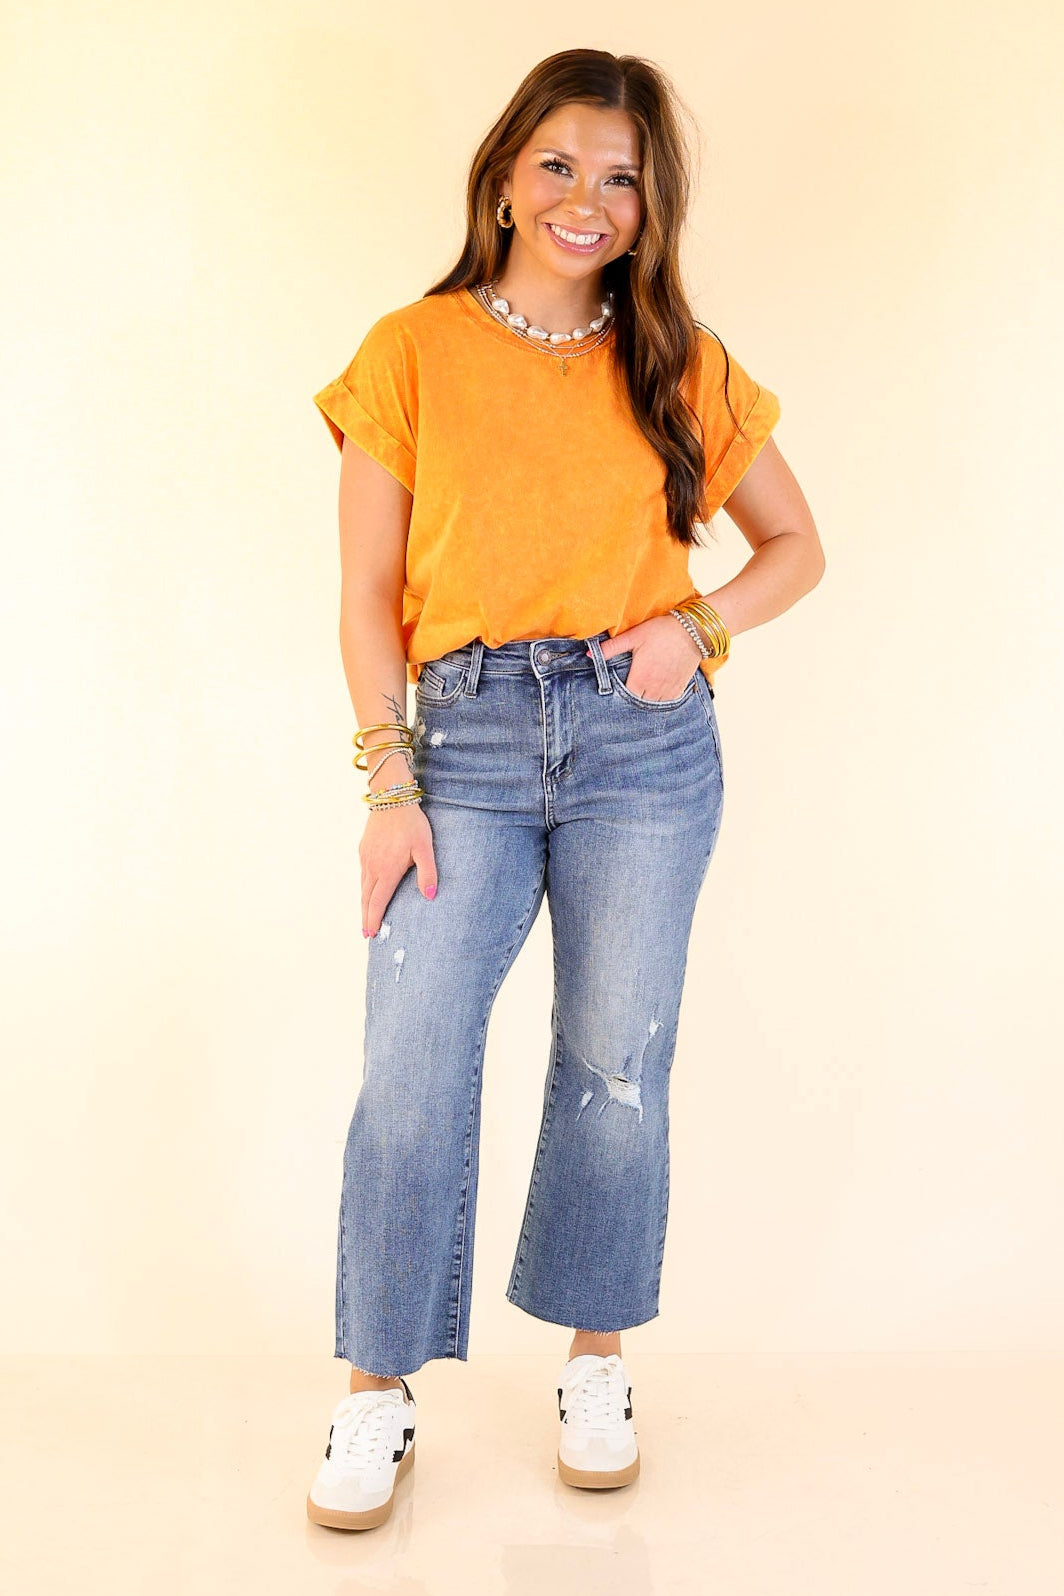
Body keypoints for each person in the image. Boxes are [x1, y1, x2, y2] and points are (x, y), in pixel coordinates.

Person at [305, 47, 825, 1531]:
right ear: (503, 177)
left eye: (620, 176)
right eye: (557, 165)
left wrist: (696, 629)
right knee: (411, 1059)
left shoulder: (678, 359)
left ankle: (597, 1364)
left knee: (614, 1063)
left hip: (639, 748)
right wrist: (386, 779)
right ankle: (376, 1387)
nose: (585, 199)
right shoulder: (411, 349)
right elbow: (365, 598)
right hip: (461, 742)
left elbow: (797, 547)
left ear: (651, 202)